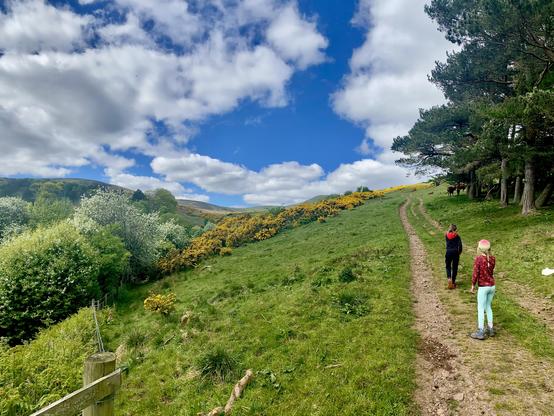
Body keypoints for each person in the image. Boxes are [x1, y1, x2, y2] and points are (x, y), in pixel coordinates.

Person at [470, 239, 496, 340]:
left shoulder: (479, 259)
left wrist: (473, 285)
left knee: (480, 308)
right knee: (488, 306)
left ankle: (480, 331)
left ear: (479, 249)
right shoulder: (493, 258)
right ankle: (490, 328)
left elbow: (475, 273)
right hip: (492, 286)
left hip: (483, 287)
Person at [445, 224, 463, 289]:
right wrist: (459, 252)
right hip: (455, 252)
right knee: (455, 267)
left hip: (448, 252)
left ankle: (449, 278)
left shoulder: (446, 235)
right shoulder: (457, 236)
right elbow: (460, 245)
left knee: (448, 266)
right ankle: (453, 282)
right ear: (456, 229)